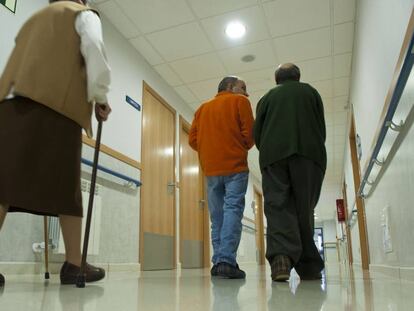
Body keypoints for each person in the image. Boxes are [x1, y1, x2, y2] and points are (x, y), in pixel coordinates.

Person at [0, 0, 112, 286]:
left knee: (3, 185)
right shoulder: (83, 14)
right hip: (58, 110)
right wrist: (100, 97)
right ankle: (75, 265)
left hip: (9, 107)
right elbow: (95, 50)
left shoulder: (34, 20)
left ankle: (74, 263)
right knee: (67, 188)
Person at [253, 63, 327, 282]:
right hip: (309, 154)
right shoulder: (311, 92)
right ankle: (309, 266)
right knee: (304, 208)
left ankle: (281, 261)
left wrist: (271, 148)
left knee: (277, 206)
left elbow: (258, 135)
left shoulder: (266, 98)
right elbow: (320, 128)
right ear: (298, 77)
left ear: (277, 79)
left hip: (274, 156)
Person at [189, 76, 254, 279]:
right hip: (235, 166)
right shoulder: (240, 102)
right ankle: (226, 260)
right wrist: (237, 145)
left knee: (216, 217)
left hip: (211, 170)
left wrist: (210, 149)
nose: (246, 93)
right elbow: (250, 136)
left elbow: (192, 139)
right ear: (230, 86)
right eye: (243, 87)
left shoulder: (202, 109)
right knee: (232, 210)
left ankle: (218, 262)